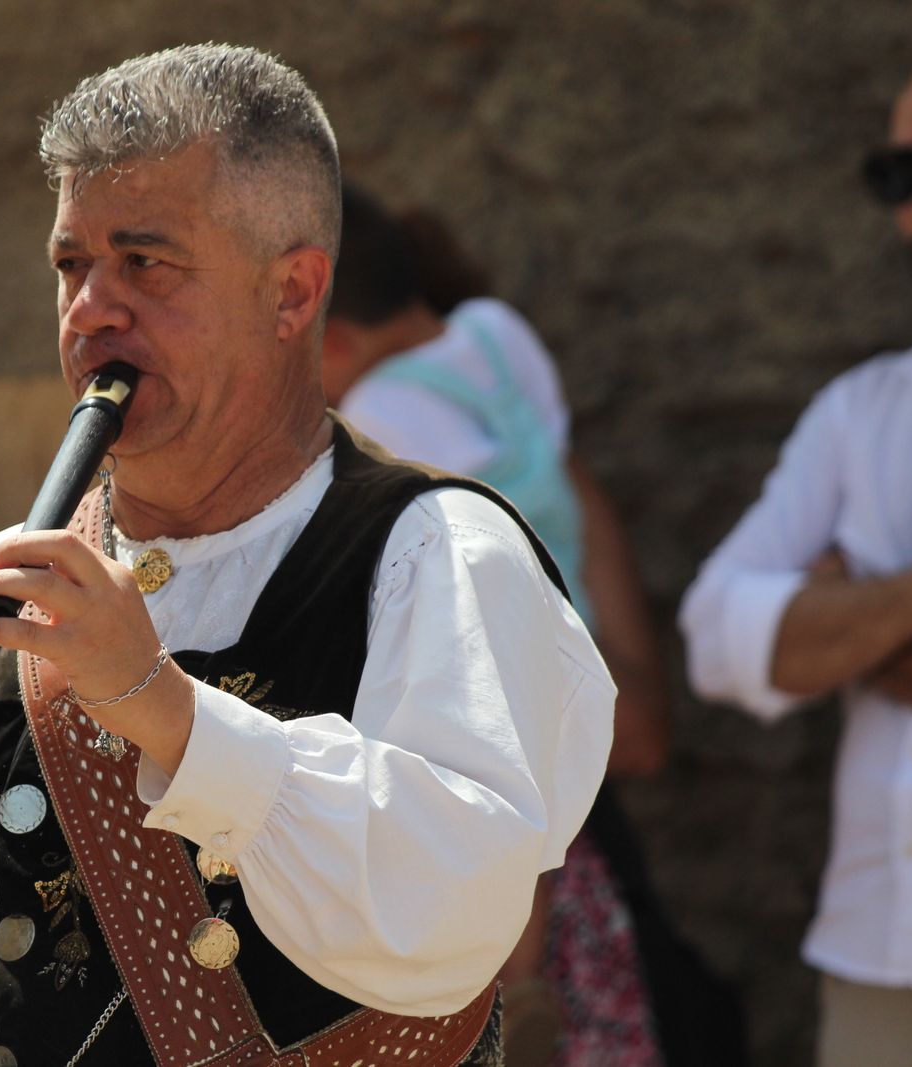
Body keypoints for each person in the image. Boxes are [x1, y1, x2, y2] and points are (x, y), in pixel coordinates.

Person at [0, 44, 614, 1067]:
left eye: (146, 263)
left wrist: (158, 703)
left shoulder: (439, 556)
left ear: (293, 293)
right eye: (71, 265)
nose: (92, 309)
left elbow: (446, 910)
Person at [680, 24, 912, 1067]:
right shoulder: (859, 411)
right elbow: (716, 638)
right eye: (900, 172)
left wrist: (843, 620)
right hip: (869, 966)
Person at [324, 185, 688, 1067]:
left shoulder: (376, 416)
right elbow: (546, 441)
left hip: (510, 628)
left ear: (327, 336)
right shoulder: (494, 331)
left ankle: (517, 992)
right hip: (573, 603)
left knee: (502, 798)